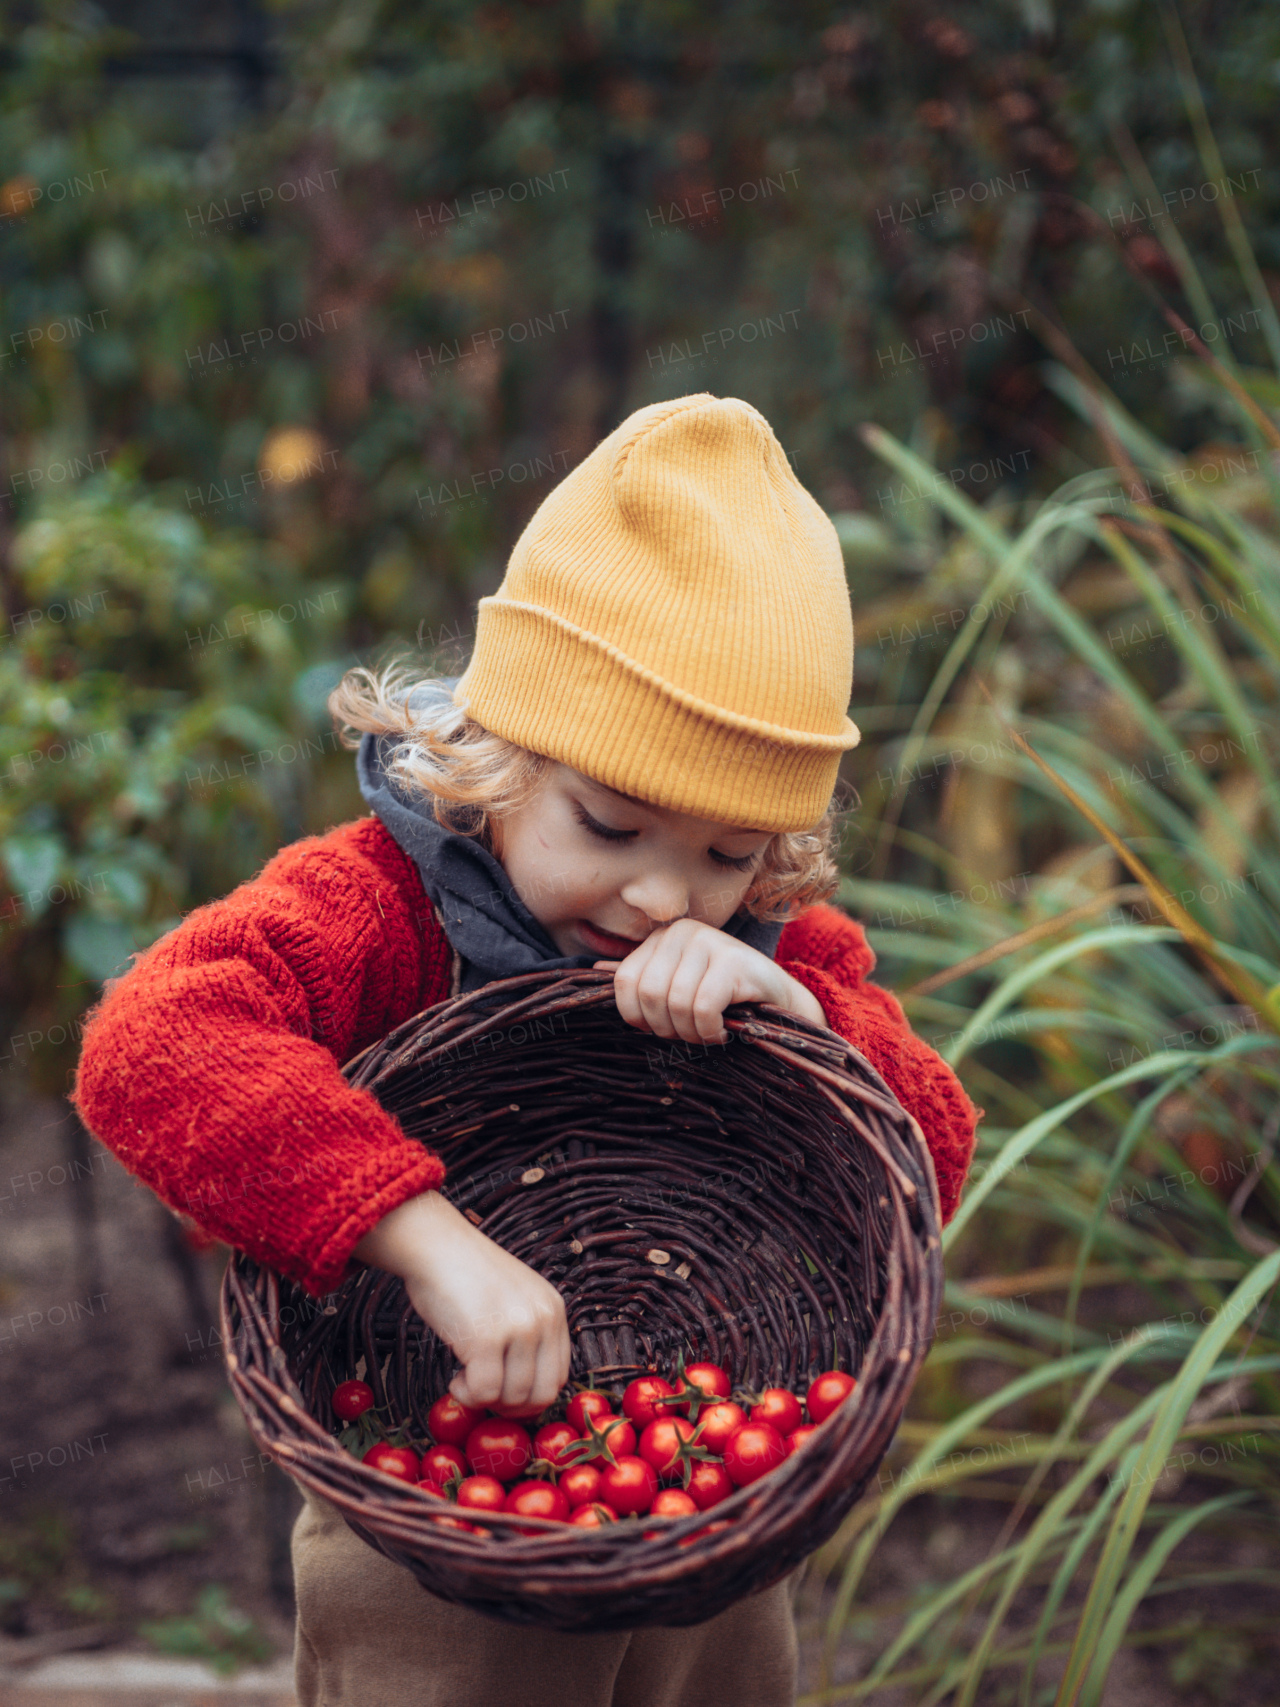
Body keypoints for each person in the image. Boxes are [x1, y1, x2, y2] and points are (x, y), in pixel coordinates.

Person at [73, 393, 980, 1707]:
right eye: (610, 826)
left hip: (704, 1517)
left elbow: (932, 1146)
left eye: (727, 854)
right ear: (498, 757)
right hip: (427, 1512)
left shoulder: (780, 945)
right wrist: (421, 1237)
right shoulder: (379, 908)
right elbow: (152, 1046)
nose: (667, 897)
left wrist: (806, 1024)